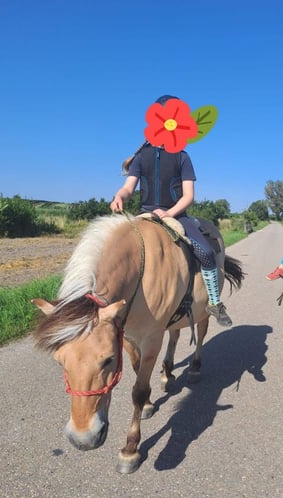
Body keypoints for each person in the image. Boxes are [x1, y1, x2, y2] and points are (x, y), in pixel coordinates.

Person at [110, 95, 233, 327]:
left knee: (205, 252)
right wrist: (119, 196)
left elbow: (188, 196)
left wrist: (170, 213)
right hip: (145, 214)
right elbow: (128, 187)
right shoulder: (140, 157)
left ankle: (215, 302)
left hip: (176, 215)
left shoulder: (182, 157)